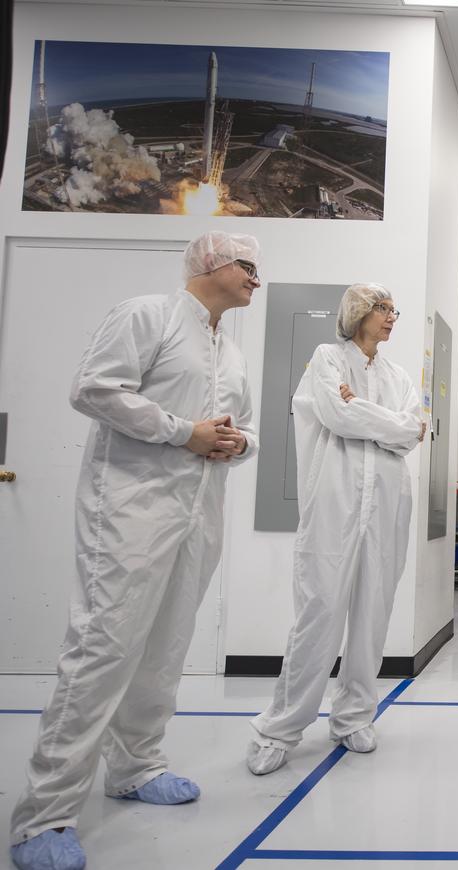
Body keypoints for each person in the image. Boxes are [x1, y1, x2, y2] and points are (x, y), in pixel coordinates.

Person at [10, 232, 260, 870]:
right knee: (103, 648)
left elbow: (240, 424)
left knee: (167, 644)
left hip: (199, 512)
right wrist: (183, 433)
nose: (257, 278)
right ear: (213, 264)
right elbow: (93, 389)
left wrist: (239, 443)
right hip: (129, 508)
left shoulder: (229, 349)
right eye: (248, 266)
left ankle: (136, 765)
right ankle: (44, 815)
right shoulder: (146, 314)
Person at [247, 284, 425, 776]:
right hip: (334, 501)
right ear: (358, 313)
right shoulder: (327, 358)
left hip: (388, 504)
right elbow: (335, 414)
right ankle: (279, 728)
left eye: (394, 309)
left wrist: (372, 416)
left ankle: (352, 718)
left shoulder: (398, 375)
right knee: (319, 613)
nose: (392, 317)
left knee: (373, 613)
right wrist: (387, 422)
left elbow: (412, 432)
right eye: (383, 309)